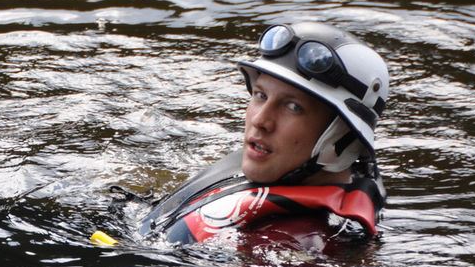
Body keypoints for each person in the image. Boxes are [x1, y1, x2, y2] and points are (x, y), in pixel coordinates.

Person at [113, 21, 390, 251]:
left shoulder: (289, 245)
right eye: (261, 95)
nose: (260, 121)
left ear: (342, 137)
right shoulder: (280, 164)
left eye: (294, 107)